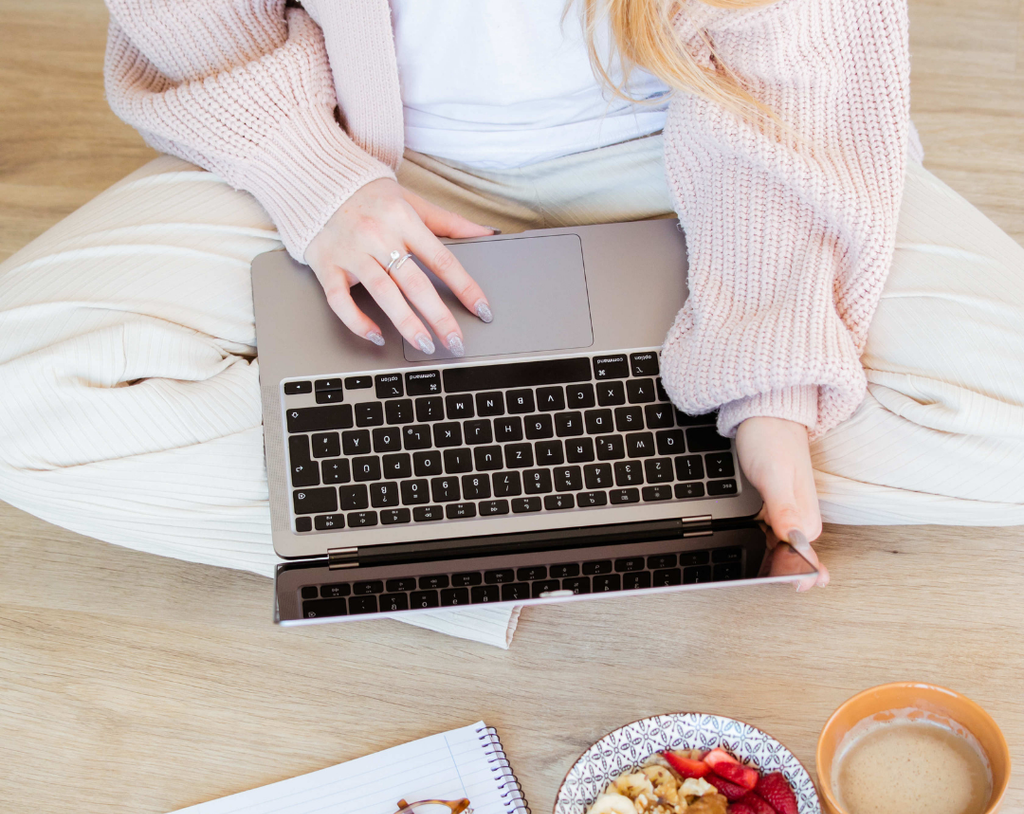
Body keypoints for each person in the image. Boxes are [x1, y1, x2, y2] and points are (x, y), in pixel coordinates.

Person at [1, 0, 1022, 596]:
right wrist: (312, 175)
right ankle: (610, 504)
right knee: (22, 397)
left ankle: (453, 510)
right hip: (369, 151)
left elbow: (797, 67)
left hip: (705, 150)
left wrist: (771, 377)